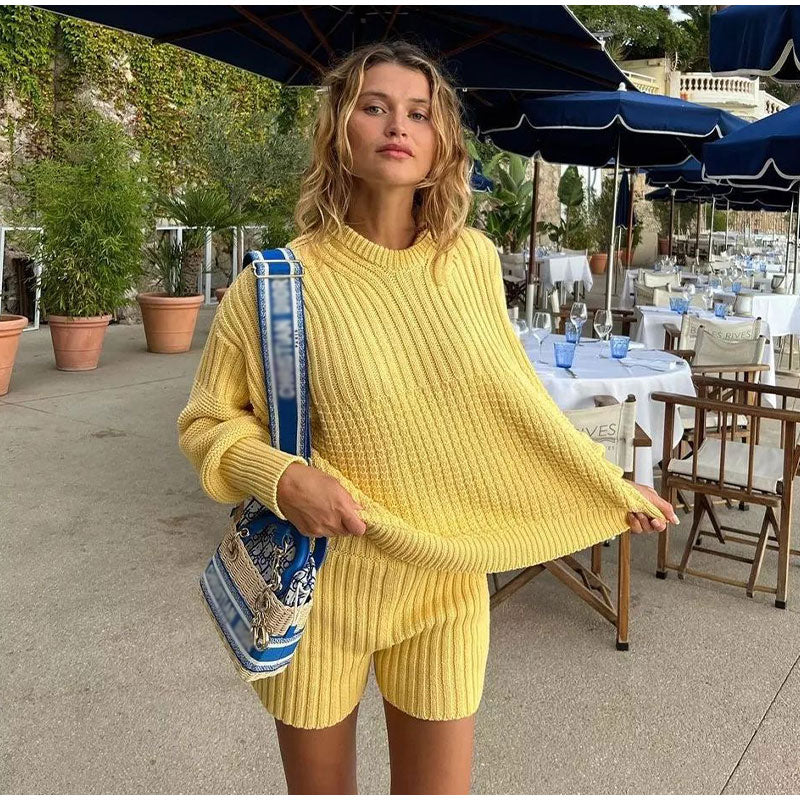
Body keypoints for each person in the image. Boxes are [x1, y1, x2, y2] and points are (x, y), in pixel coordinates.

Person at [177, 40, 677, 794]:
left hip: (447, 581)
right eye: (374, 107)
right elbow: (209, 421)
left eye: (419, 113)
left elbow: (515, 403)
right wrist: (283, 480)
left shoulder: (470, 261)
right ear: (338, 132)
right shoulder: (277, 283)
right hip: (324, 587)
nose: (397, 126)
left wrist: (606, 485)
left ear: (441, 141)